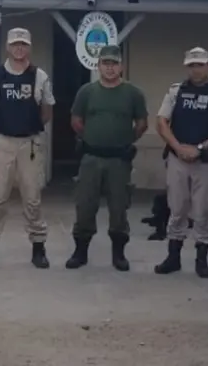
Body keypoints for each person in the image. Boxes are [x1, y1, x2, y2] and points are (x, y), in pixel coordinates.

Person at [0, 27, 55, 269]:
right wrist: (4, 127)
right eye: (14, 44)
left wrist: (28, 127)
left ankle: (38, 248)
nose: (19, 48)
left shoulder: (40, 76)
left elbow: (47, 110)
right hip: (2, 143)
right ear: (8, 47)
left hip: (29, 143)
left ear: (29, 47)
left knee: (32, 198)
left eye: (23, 44)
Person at [65, 45, 148, 272]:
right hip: (91, 158)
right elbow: (76, 120)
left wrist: (125, 140)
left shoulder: (133, 93)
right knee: (84, 205)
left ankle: (119, 254)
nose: (110, 68)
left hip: (119, 161)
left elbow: (142, 124)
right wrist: (92, 138)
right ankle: (80, 252)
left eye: (114, 64)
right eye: (105, 63)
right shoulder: (87, 92)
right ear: (98, 66)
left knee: (119, 208)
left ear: (121, 66)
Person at [154, 47, 208, 278]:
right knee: (177, 209)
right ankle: (173, 258)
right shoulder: (176, 91)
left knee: (203, 211)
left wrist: (199, 148)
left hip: (205, 162)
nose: (196, 69)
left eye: (200, 65)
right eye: (192, 65)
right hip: (178, 159)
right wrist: (178, 147)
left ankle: (201, 261)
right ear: (186, 67)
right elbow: (161, 121)